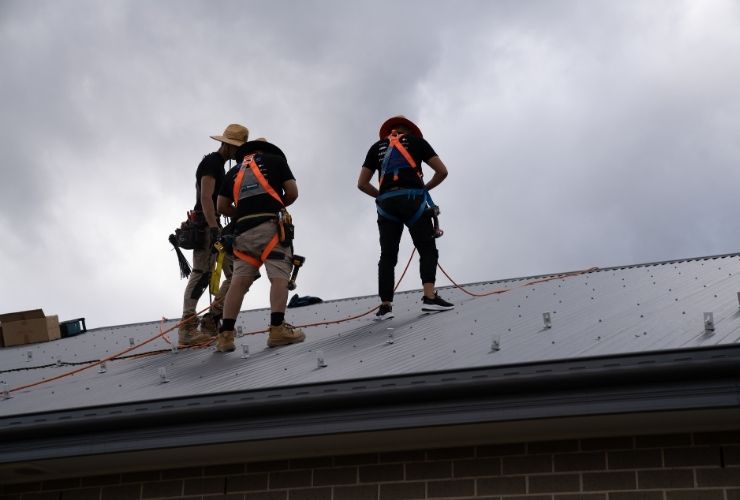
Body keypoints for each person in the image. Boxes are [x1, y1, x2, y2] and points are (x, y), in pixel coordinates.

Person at [357, 115, 455, 320]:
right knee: (426, 248)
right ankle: (429, 298)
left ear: (390, 131)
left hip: (386, 206)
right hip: (413, 201)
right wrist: (424, 190)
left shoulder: (376, 147)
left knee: (388, 255)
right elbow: (442, 171)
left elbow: (362, 184)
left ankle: (385, 307)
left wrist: (382, 196)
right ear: (409, 131)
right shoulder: (418, 143)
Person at [215, 138, 305, 352]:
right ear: (267, 151)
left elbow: (221, 206)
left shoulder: (233, 171)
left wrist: (244, 213)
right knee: (279, 276)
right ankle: (277, 330)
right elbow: (292, 192)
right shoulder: (275, 161)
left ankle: (225, 337)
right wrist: (275, 205)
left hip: (242, 233)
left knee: (239, 281)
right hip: (271, 228)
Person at [178, 123, 248, 346]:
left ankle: (214, 320)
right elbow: (206, 197)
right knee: (201, 273)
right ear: (228, 145)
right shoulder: (211, 163)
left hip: (212, 224)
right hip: (207, 225)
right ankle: (187, 329)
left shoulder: (220, 166)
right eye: (237, 148)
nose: (238, 153)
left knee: (235, 274)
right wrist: (213, 227)